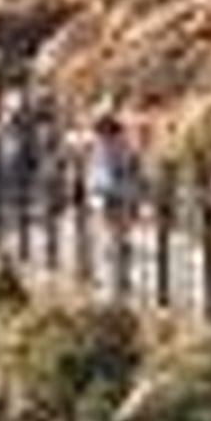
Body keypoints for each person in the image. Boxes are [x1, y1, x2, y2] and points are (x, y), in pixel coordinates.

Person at [82, 98, 143, 296]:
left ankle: (116, 279)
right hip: (113, 193)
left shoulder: (108, 144)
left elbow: (127, 167)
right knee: (115, 237)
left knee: (113, 237)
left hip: (110, 193)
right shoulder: (112, 144)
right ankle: (117, 278)